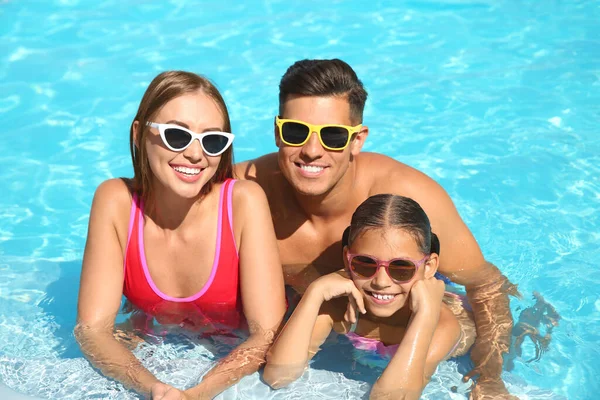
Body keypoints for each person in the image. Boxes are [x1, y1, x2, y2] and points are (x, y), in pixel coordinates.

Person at [234, 59, 518, 399]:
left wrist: (488, 376)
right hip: (329, 321)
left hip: (410, 321)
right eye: (296, 131)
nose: (311, 151)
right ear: (277, 131)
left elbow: (485, 285)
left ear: (358, 140)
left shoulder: (406, 197)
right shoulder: (241, 194)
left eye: (333, 136)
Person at [75, 71, 286, 400]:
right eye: (177, 135)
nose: (195, 154)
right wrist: (154, 389)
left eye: (213, 140)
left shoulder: (243, 203)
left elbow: (267, 334)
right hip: (148, 350)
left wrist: (199, 394)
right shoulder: (115, 202)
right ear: (137, 134)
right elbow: (92, 330)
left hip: (230, 365)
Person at [264, 194, 476, 399]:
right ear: (347, 261)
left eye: (401, 267)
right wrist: (314, 293)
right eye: (365, 264)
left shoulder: (441, 324)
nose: (381, 282)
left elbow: (390, 398)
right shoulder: (336, 307)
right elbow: (278, 376)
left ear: (429, 267)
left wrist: (424, 316)